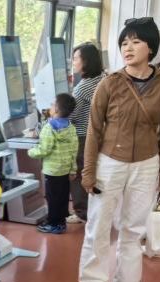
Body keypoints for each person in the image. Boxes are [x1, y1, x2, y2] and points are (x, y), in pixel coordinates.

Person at [79, 17, 160, 282]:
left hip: (146, 163)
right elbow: (94, 130)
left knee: (134, 227)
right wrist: (88, 171)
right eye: (124, 42)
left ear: (151, 48)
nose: (128, 48)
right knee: (99, 224)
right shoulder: (109, 83)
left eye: (136, 41)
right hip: (109, 162)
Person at [67, 42, 108, 224]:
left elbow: (71, 115)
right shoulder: (103, 78)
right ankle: (95, 209)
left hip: (82, 136)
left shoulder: (82, 88)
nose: (73, 62)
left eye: (76, 58)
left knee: (78, 175)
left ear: (86, 61)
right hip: (99, 134)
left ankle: (82, 212)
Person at [29, 93, 78, 234]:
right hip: (65, 170)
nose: (50, 106)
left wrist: (31, 151)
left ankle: (54, 224)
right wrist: (73, 170)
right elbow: (74, 150)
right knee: (62, 197)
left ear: (56, 109)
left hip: (52, 171)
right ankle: (61, 221)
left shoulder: (48, 128)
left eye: (52, 104)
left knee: (52, 199)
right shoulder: (70, 127)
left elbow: (44, 150)